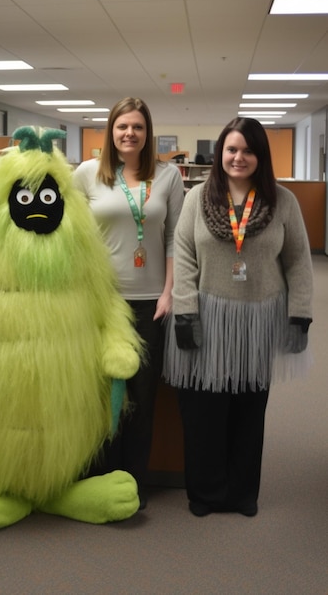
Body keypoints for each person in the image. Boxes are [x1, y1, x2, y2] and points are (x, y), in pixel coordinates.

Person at [164, 117, 313, 518]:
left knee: (249, 407)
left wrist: (300, 313)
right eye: (231, 149)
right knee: (203, 409)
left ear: (260, 156)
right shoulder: (197, 198)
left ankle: (242, 493)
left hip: (257, 319)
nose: (239, 157)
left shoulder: (283, 201)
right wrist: (185, 312)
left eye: (248, 150)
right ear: (220, 154)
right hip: (206, 316)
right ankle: (207, 492)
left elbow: (299, 260)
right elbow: (184, 256)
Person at [73, 97, 185, 509]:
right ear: (111, 131)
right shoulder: (88, 174)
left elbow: (175, 237)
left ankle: (132, 482)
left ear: (147, 132)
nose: (129, 134)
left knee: (141, 395)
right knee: (101, 392)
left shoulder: (169, 176)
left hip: (150, 303)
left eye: (137, 127)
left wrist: (169, 292)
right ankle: (98, 478)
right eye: (122, 126)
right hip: (100, 301)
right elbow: (64, 231)